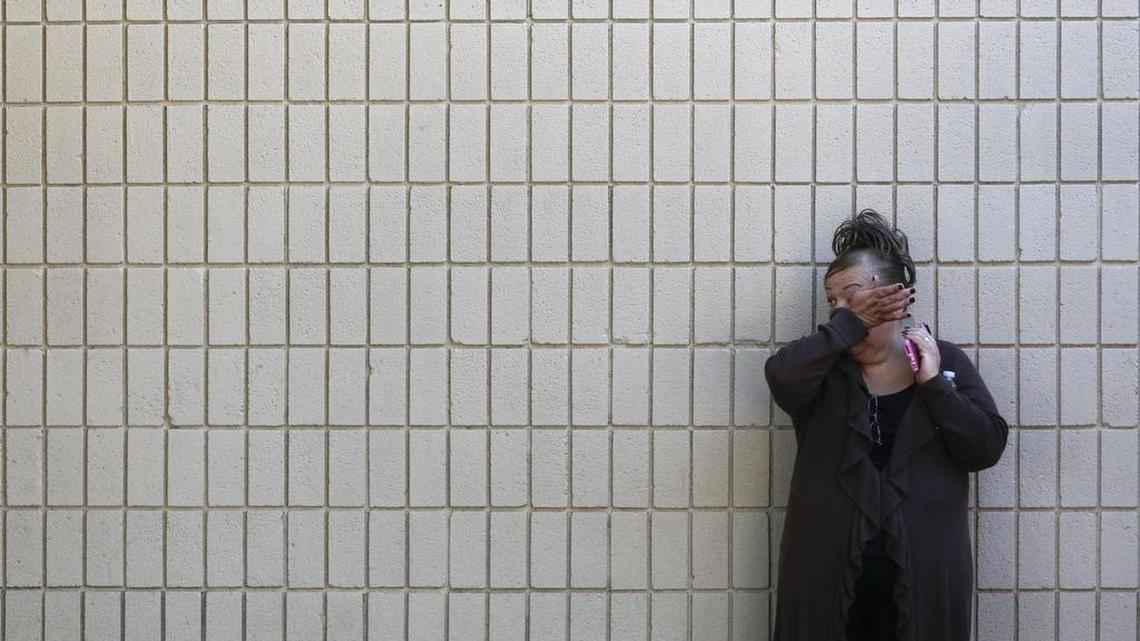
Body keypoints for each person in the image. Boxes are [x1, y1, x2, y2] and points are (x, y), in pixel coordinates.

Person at [764, 209, 1010, 641]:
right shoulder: (820, 370)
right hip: (823, 584)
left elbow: (985, 447)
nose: (842, 312)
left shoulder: (944, 361)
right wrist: (848, 325)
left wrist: (934, 386)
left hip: (925, 586)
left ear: (896, 299)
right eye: (834, 303)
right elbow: (781, 377)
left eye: (854, 297)